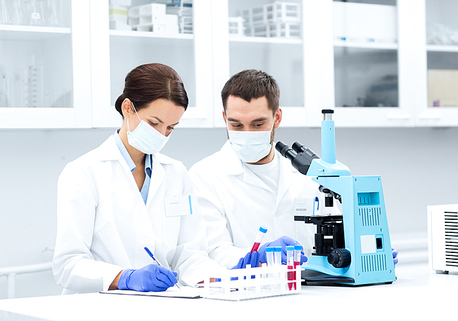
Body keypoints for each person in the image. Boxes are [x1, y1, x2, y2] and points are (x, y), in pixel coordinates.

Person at [188, 69, 399, 269]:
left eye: (258, 124)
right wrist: (261, 254)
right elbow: (214, 252)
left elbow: (343, 232)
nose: (247, 133)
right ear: (225, 119)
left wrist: (368, 250)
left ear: (277, 118)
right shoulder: (203, 177)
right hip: (251, 293)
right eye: (236, 125)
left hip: (318, 293)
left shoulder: (311, 173)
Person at [52, 63, 222, 294]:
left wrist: (218, 278)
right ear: (128, 108)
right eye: (154, 123)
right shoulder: (83, 173)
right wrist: (125, 278)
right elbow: (67, 265)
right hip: (99, 308)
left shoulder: (176, 173)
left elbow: (189, 253)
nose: (161, 135)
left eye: (171, 127)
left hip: (160, 305)